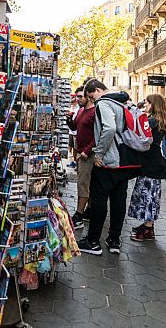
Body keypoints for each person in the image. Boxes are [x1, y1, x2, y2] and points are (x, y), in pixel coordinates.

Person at [79, 79, 139, 256]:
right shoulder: (122, 103)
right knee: (119, 201)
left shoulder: (104, 103)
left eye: (91, 96)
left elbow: (110, 128)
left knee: (98, 200)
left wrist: (99, 154)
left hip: (108, 162)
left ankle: (93, 241)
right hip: (124, 161)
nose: (92, 100)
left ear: (97, 90)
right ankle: (114, 240)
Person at [128, 94, 166, 241]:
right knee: (151, 194)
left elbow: (138, 136)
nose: (144, 104)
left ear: (153, 104)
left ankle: (147, 228)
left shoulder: (152, 121)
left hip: (150, 163)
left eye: (147, 102)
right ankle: (148, 226)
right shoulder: (159, 120)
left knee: (148, 195)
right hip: (154, 161)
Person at [66, 86, 95, 229]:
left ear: (88, 96)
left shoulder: (94, 112)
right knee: (84, 183)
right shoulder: (81, 111)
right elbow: (74, 127)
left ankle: (78, 215)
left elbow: (99, 135)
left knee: (83, 184)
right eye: (76, 97)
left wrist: (87, 151)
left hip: (87, 154)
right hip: (80, 151)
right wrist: (69, 119)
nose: (77, 99)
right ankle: (87, 212)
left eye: (80, 96)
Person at [67, 93, 79, 168]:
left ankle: (75, 162)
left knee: (75, 148)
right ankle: (73, 161)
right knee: (70, 146)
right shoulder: (73, 108)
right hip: (71, 131)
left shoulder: (78, 109)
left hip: (75, 132)